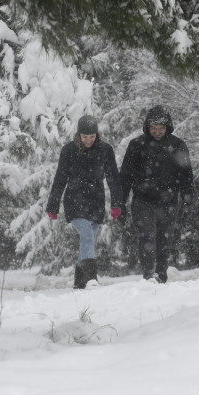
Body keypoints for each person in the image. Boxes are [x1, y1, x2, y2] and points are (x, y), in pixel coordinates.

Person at [46, 115, 124, 289]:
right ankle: (91, 279)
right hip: (74, 200)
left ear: (97, 134)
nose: (88, 140)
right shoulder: (68, 151)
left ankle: (80, 284)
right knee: (87, 236)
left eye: (92, 136)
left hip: (96, 201)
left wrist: (117, 203)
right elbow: (60, 178)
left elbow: (113, 178)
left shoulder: (105, 150)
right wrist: (53, 205)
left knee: (88, 240)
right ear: (78, 134)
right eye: (85, 137)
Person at [120, 105, 193, 284]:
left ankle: (161, 274)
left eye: (161, 128)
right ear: (147, 127)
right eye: (154, 128)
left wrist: (187, 198)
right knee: (146, 237)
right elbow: (126, 176)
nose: (158, 132)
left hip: (169, 201)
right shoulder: (136, 145)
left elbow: (186, 176)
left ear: (168, 127)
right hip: (142, 201)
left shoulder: (177, 145)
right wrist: (119, 202)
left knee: (164, 240)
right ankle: (148, 274)